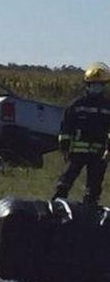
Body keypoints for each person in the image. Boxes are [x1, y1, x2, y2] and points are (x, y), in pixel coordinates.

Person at [53, 62, 110, 205]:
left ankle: (89, 211)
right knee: (66, 180)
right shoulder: (77, 105)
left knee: (94, 185)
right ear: (87, 85)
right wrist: (65, 147)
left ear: (104, 85)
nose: (96, 87)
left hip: (99, 153)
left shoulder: (107, 106)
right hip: (77, 152)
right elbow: (66, 127)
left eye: (100, 84)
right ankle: (57, 204)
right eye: (93, 84)